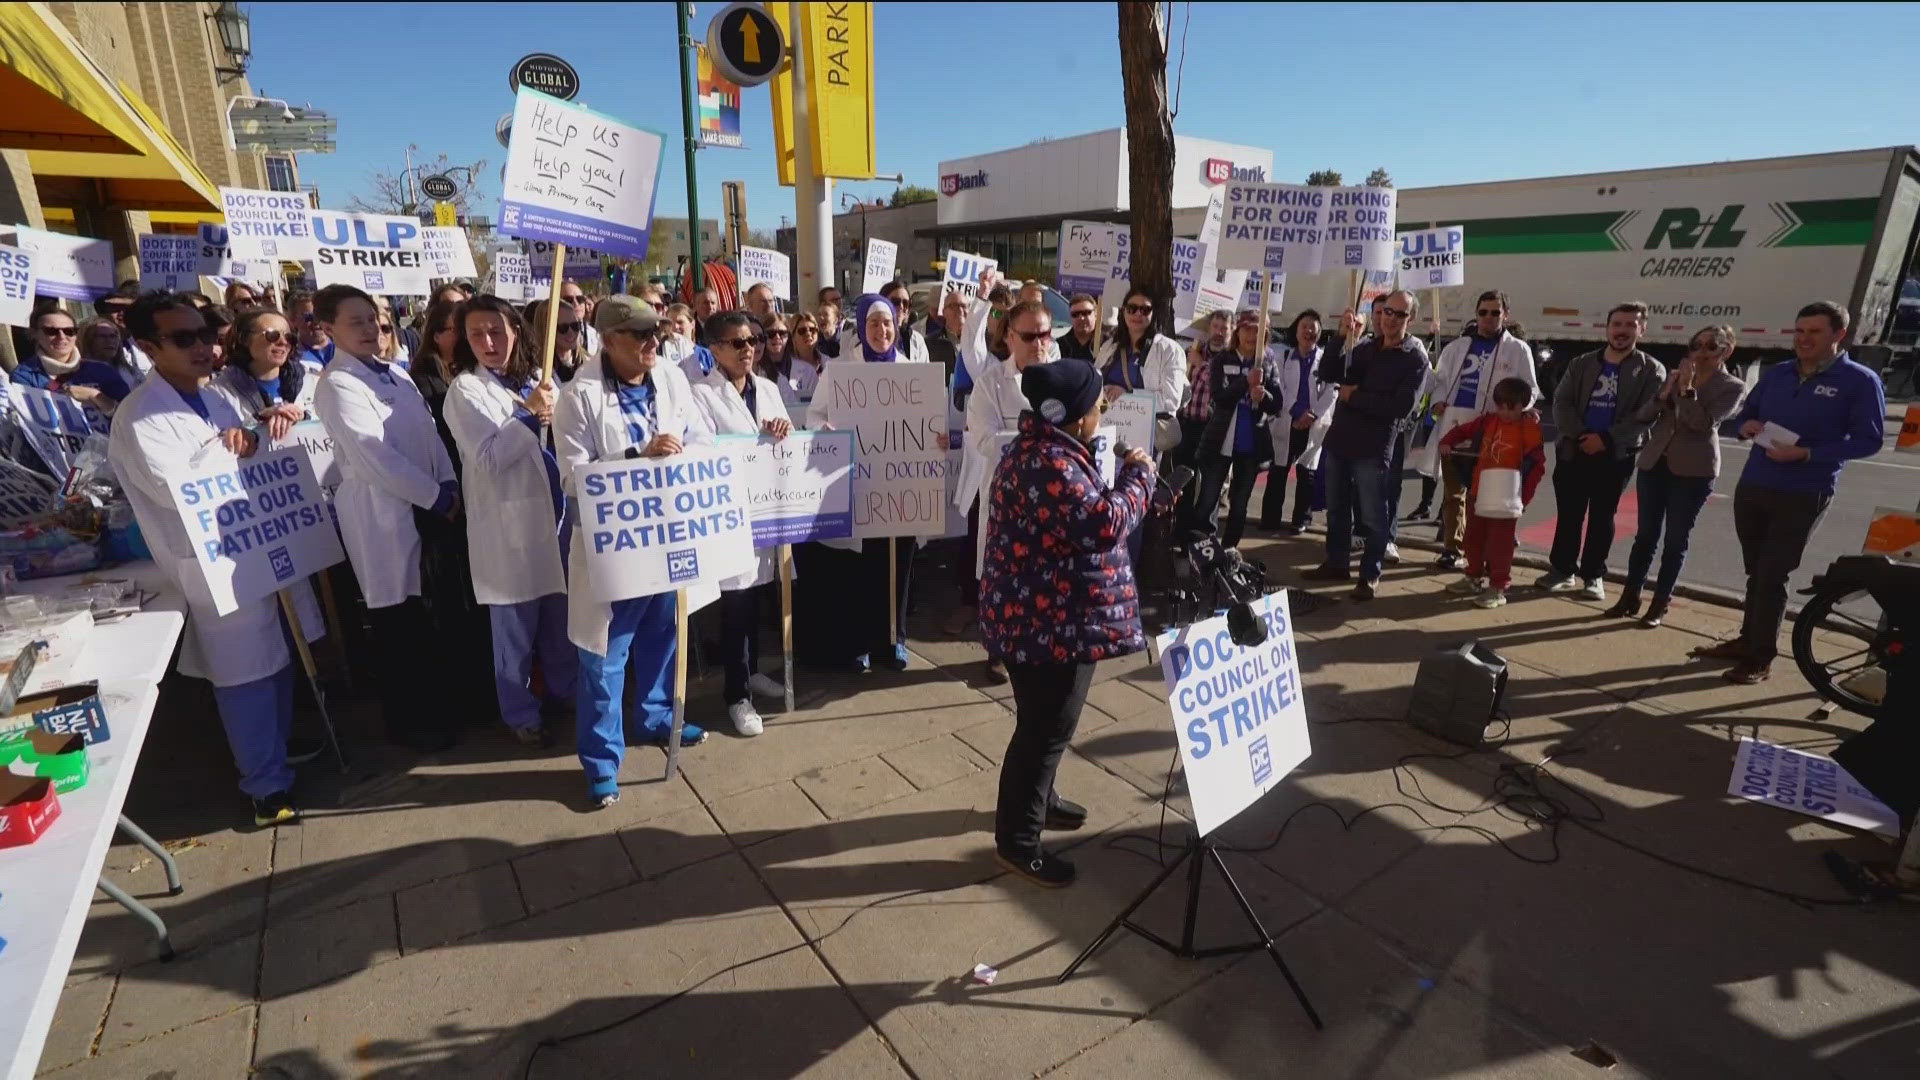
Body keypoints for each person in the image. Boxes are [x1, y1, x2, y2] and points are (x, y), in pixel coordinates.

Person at [107, 292, 323, 826]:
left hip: (254, 542)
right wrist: (231, 446)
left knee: (274, 656)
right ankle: (265, 787)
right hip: (213, 562)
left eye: (204, 333)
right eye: (183, 339)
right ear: (146, 347)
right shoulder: (141, 418)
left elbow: (253, 449)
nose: (202, 346)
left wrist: (253, 437)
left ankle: (277, 753)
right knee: (242, 670)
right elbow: (172, 486)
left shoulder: (220, 397)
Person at [980, 360, 1154, 886]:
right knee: (1044, 731)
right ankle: (1018, 842)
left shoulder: (1045, 451)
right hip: (1046, 625)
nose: (1102, 411)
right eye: (1098, 404)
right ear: (1078, 418)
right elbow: (1104, 522)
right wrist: (1139, 477)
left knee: (1043, 725)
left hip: (1047, 618)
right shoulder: (1050, 464)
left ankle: (1042, 802)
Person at [556, 297, 714, 806]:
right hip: (614, 549)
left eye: (658, 334)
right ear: (608, 340)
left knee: (662, 635)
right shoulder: (577, 397)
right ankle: (602, 760)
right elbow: (570, 475)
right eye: (640, 335)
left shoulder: (668, 377)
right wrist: (635, 457)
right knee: (604, 657)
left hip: (666, 537)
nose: (653, 343)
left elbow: (699, 435)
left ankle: (656, 718)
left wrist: (688, 456)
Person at [1692, 301, 1886, 684]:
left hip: (1803, 491)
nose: (1804, 339)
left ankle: (1761, 657)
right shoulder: (1778, 372)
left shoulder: (1860, 381)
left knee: (1772, 574)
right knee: (1755, 572)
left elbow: (1870, 440)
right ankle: (1749, 639)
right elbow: (1744, 416)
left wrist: (1808, 453)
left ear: (1838, 335)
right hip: (1755, 485)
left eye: (1814, 331)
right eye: (1799, 331)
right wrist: (1747, 425)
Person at [312, 284, 461, 752]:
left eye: (374, 318)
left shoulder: (398, 376)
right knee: (398, 623)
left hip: (425, 505)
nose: (370, 328)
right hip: (382, 515)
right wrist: (434, 496)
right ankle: (410, 723)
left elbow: (431, 433)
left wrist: (448, 482)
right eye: (354, 321)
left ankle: (441, 709)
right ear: (327, 328)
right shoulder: (338, 384)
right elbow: (376, 457)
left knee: (429, 615)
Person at [445, 294, 572, 748]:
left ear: (515, 332)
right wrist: (528, 414)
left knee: (560, 621)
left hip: (552, 521)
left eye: (497, 330)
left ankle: (564, 692)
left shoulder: (534, 381)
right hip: (507, 535)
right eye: (477, 333)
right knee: (514, 633)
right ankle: (521, 712)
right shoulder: (466, 391)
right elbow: (491, 458)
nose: (488, 341)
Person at [805, 295, 931, 671]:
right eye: (874, 324)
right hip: (857, 484)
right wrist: (822, 430)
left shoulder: (911, 370)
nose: (882, 331)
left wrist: (938, 437)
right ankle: (860, 642)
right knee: (861, 569)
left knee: (900, 566)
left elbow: (928, 422)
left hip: (901, 487)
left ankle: (895, 640)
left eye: (888, 323)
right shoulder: (841, 370)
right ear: (861, 327)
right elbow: (814, 414)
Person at [692, 310, 794, 735]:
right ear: (714, 350)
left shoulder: (768, 388)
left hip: (766, 510)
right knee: (734, 607)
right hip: (730, 515)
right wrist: (753, 440)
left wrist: (782, 427)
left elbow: (790, 432)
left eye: (751, 340)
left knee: (756, 601)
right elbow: (701, 446)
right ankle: (736, 695)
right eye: (737, 343)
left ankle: (751, 672)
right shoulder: (701, 394)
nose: (748, 349)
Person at [1607, 325, 1749, 628]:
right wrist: (1662, 394)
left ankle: (1660, 603)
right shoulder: (1675, 376)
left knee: (1675, 540)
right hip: (1654, 463)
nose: (1701, 352)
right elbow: (1643, 416)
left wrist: (1686, 390)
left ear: (1726, 351)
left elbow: (1702, 424)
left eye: (1711, 346)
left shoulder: (1732, 386)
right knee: (1645, 536)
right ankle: (1630, 595)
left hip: (1693, 471)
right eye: (1696, 345)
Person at [1303, 293, 1429, 600]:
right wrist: (1341, 336)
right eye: (1387, 312)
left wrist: (1355, 397)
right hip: (1341, 439)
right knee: (1336, 508)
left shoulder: (1414, 358)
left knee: (1373, 516)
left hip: (1373, 447)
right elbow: (1330, 372)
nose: (1390, 318)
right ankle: (1336, 562)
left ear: (1410, 319)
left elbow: (1400, 406)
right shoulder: (1365, 347)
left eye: (1399, 314)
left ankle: (1369, 575)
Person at [958, 297, 1058, 683]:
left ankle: (1039, 643)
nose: (1038, 343)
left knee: (1043, 573)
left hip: (1050, 498)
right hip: (1007, 496)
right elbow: (985, 440)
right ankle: (998, 651)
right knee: (1001, 576)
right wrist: (1038, 443)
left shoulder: (1064, 377)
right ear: (1010, 338)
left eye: (1045, 335)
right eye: (1029, 336)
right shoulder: (989, 384)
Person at [1537, 302, 1665, 601]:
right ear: (1607, 328)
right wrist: (1582, 435)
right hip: (1574, 450)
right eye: (1617, 324)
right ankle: (1561, 570)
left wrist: (1606, 439)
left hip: (1616, 455)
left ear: (1642, 330)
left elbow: (1646, 415)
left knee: (1602, 517)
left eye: (1630, 325)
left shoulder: (1650, 370)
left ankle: (1593, 575)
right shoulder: (1581, 363)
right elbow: (1561, 403)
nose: (1622, 331)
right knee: (1569, 515)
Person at [1420, 291, 1537, 569]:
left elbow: (1530, 388)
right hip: (1454, 427)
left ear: (1505, 315)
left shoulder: (1518, 350)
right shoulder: (1457, 347)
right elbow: (1440, 380)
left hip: (1491, 431)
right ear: (1476, 314)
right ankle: (1452, 548)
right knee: (1453, 493)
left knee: (1482, 496)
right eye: (1483, 312)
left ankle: (1480, 550)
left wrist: (1518, 408)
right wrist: (1437, 402)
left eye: (1495, 313)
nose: (1488, 318)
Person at [1437, 377, 1547, 609]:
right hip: (1480, 490)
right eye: (1501, 407)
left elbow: (1536, 465)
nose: (1505, 412)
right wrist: (1447, 441)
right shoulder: (1488, 422)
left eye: (1511, 407)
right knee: (1472, 537)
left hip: (1507, 496)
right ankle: (1473, 576)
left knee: (1500, 544)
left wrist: (1523, 498)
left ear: (1523, 405)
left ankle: (1498, 586)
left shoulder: (1529, 429)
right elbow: (1462, 431)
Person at [1193, 309, 1284, 548]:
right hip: (1220, 439)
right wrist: (1245, 382)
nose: (1252, 336)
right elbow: (1219, 397)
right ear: (1238, 331)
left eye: (1258, 331)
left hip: (1251, 443)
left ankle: (1229, 548)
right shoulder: (1223, 359)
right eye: (1247, 329)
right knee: (1209, 497)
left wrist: (1263, 395)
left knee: (1240, 502)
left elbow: (1277, 404)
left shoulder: (1268, 360)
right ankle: (1202, 545)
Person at [1093, 286, 1188, 457]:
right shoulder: (1110, 346)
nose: (1138, 314)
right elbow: (1095, 384)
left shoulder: (1168, 350)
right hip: (1108, 431)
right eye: (1132, 308)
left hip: (1146, 438)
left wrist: (1127, 394)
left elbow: (1170, 399)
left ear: (1153, 314)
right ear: (1123, 311)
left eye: (1145, 310)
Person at [1259, 309, 1326, 533]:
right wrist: (1297, 412)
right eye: (1304, 326)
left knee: (1307, 473)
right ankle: (1270, 519)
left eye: (1313, 327)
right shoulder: (1284, 356)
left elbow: (1331, 392)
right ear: (1296, 331)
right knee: (1278, 471)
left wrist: (1311, 415)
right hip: (1287, 421)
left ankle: (1301, 520)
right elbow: (1278, 387)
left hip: (1313, 424)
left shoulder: (1325, 359)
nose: (1308, 331)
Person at [210, 307, 313, 440]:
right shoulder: (218, 391)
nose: (283, 342)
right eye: (272, 335)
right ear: (244, 339)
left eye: (289, 337)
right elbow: (218, 439)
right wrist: (259, 419)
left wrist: (303, 417)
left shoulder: (310, 382)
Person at [13, 307, 132, 416]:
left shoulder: (102, 371)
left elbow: (131, 415)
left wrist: (96, 396)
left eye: (69, 331)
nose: (62, 336)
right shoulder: (24, 375)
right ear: (34, 334)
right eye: (51, 331)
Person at [840, 280, 930, 364]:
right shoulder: (843, 363)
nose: (901, 307)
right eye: (895, 302)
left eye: (906, 303)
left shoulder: (913, 346)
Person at [765, 310, 824, 415]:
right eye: (771, 334)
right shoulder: (756, 371)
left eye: (782, 333)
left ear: (788, 337)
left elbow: (818, 408)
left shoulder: (807, 371)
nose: (777, 337)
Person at [525, 297, 591, 382]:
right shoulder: (534, 372)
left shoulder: (590, 364)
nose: (571, 332)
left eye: (575, 325)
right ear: (545, 329)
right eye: (563, 328)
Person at [78, 316, 144, 392]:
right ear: (88, 340)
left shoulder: (127, 368)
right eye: (102, 336)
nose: (110, 341)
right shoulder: (82, 373)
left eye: (113, 336)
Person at [287, 291, 334, 375]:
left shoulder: (348, 349)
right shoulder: (289, 357)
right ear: (293, 320)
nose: (317, 322)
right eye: (310, 317)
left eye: (322, 316)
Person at [560, 279, 602, 354]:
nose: (576, 303)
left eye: (580, 299)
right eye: (568, 300)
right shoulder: (551, 335)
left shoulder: (595, 335)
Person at [1057, 293, 1100, 363]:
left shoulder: (1107, 344)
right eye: (1075, 314)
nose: (1081, 318)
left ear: (1096, 314)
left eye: (1086, 313)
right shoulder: (1060, 345)